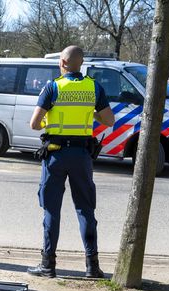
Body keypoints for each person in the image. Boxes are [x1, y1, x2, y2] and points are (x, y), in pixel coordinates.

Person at [28, 45, 115, 278]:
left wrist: (50, 121)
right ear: (81, 63)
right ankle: (92, 266)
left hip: (56, 155)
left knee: (51, 210)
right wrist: (91, 113)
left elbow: (34, 124)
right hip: (82, 156)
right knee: (85, 209)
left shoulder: (53, 87)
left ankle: (48, 264)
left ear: (63, 63)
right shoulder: (94, 87)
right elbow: (109, 120)